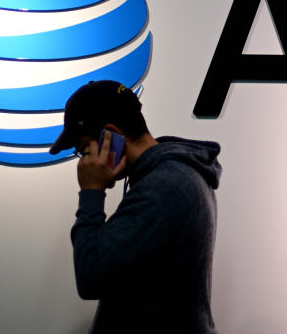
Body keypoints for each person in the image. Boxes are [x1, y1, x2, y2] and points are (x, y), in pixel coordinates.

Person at [49, 80, 222, 334]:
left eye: (84, 149)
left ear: (110, 135)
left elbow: (91, 276)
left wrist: (91, 192)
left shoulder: (163, 186)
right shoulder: (170, 175)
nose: (84, 162)